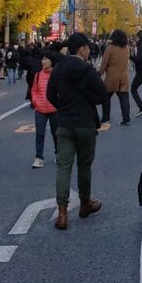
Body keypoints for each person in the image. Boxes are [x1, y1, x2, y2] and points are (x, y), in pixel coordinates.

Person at [47, 32, 106, 230]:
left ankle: (62, 212)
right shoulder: (87, 69)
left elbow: (49, 94)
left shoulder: (59, 68)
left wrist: (62, 106)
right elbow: (102, 94)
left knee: (63, 166)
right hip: (85, 122)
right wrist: (90, 101)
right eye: (88, 47)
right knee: (84, 165)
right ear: (81, 49)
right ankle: (85, 203)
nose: (89, 50)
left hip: (64, 122)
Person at [30, 51, 58, 168]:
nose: (43, 61)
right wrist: (36, 101)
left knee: (56, 134)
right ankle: (39, 157)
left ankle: (59, 154)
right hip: (40, 109)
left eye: (46, 59)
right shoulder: (38, 75)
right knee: (40, 134)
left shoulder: (57, 74)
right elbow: (34, 90)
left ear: (52, 61)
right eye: (42, 59)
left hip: (54, 109)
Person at [100, 29, 132, 126]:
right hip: (123, 76)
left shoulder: (110, 48)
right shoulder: (126, 48)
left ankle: (106, 118)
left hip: (112, 76)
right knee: (124, 98)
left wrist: (100, 72)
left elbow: (104, 62)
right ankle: (126, 118)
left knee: (106, 98)